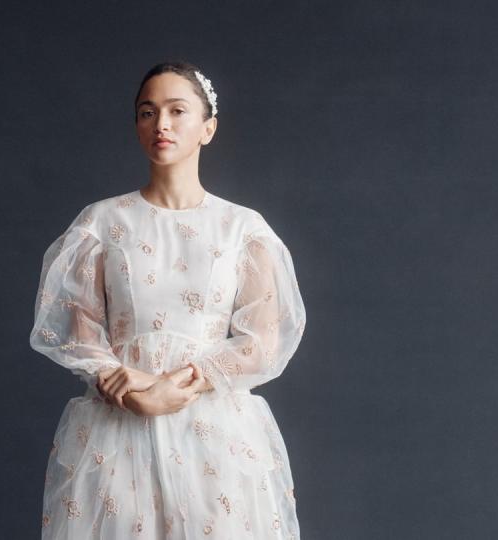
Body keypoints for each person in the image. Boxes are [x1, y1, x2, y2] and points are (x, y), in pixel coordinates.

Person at [30, 60, 306, 539]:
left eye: (178, 111)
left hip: (217, 435)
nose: (161, 124)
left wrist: (172, 387)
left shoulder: (243, 229)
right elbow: (74, 328)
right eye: (147, 112)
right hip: (116, 430)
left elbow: (263, 340)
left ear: (208, 128)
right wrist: (132, 391)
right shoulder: (100, 222)